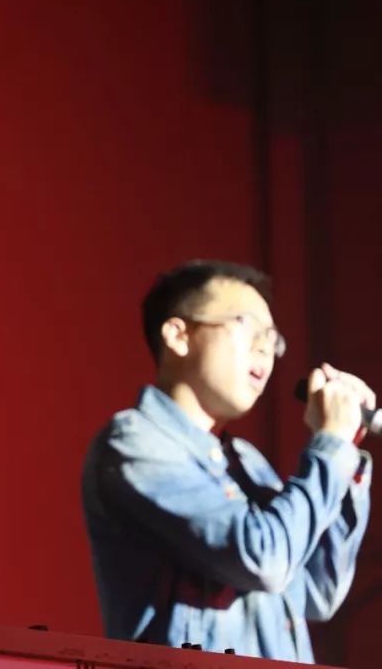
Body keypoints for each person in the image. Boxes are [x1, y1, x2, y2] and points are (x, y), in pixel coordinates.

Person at [82, 259, 376, 662]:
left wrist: (345, 454)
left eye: (272, 338)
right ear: (179, 335)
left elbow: (315, 591)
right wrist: (330, 445)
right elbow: (264, 558)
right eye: (247, 325)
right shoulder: (137, 443)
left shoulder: (246, 462)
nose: (265, 348)